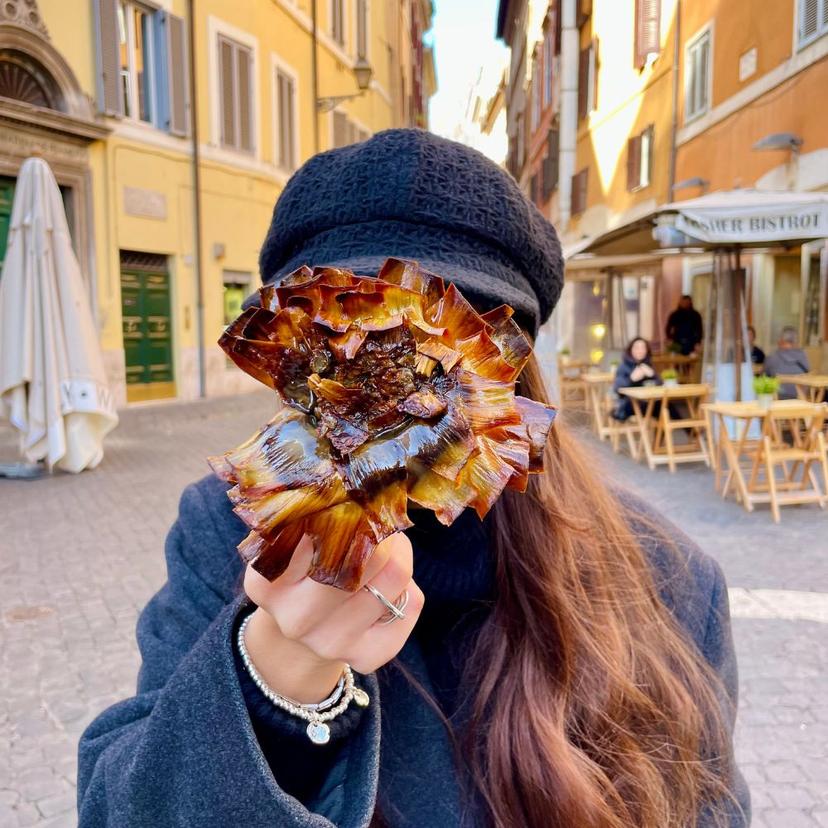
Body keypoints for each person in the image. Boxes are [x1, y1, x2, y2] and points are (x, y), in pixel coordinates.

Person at [77, 130, 749, 828]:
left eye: (435, 352)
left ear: (509, 370)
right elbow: (116, 807)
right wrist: (270, 679)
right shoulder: (222, 532)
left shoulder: (668, 578)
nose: (389, 402)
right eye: (343, 341)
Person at [611, 336, 661, 421]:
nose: (640, 351)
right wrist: (631, 379)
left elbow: (660, 384)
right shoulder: (624, 366)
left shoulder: (647, 365)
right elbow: (617, 388)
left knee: (664, 405)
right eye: (637, 348)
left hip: (647, 402)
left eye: (643, 348)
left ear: (647, 350)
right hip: (628, 405)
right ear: (631, 350)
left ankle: (687, 430)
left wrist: (652, 375)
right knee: (659, 407)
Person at [764, 326, 810, 399]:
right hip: (801, 398)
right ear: (796, 341)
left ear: (781, 340)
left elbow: (765, 375)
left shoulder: (772, 357)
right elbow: (808, 371)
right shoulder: (803, 355)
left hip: (778, 398)